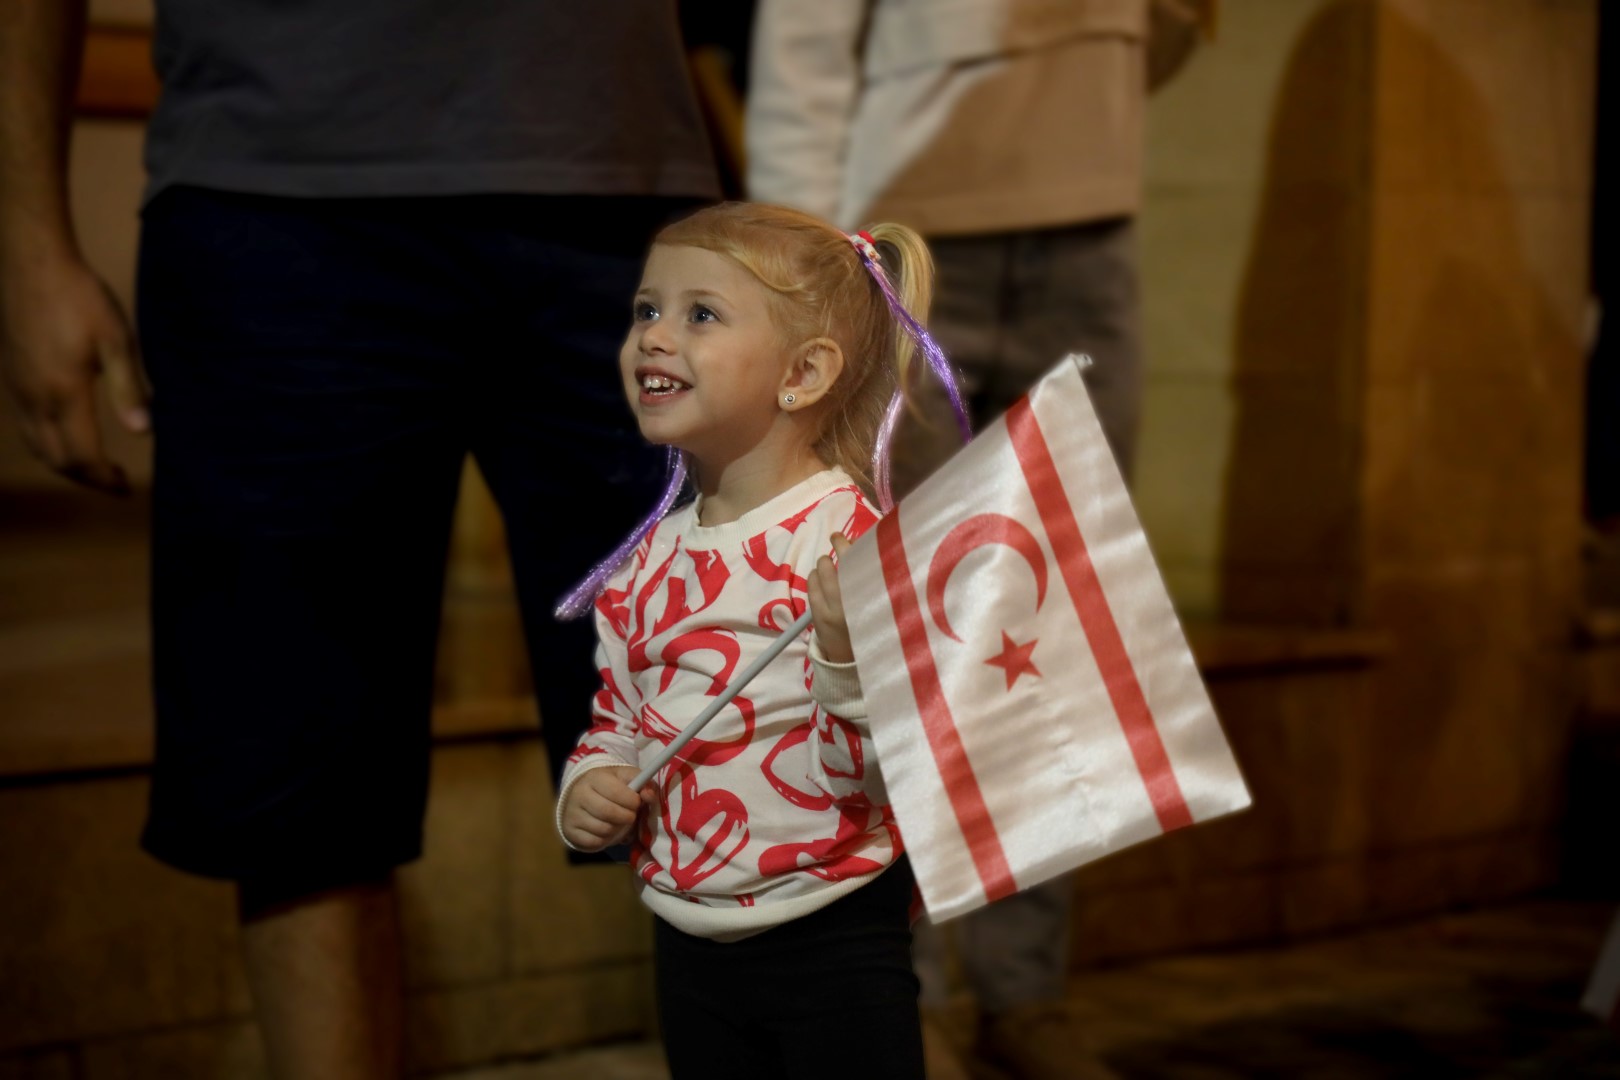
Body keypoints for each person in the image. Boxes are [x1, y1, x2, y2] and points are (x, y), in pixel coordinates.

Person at [0, 3, 718, 1077]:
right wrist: (26, 238)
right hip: (273, 193)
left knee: (728, 729)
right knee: (297, 784)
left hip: (621, 180)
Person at [744, 1, 1208, 1077]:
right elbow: (805, 38)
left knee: (1056, 629)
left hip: (1091, 229)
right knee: (880, 626)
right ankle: (894, 998)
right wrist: (802, 269)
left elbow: (1150, 44)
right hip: (901, 236)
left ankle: (1022, 992)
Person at [555, 202, 960, 1079]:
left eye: (700, 313)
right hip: (687, 934)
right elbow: (620, 720)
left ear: (803, 373)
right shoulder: (647, 561)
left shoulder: (850, 546)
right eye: (646, 309)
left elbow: (886, 773)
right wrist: (588, 783)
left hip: (834, 928)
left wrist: (845, 656)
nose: (655, 335)